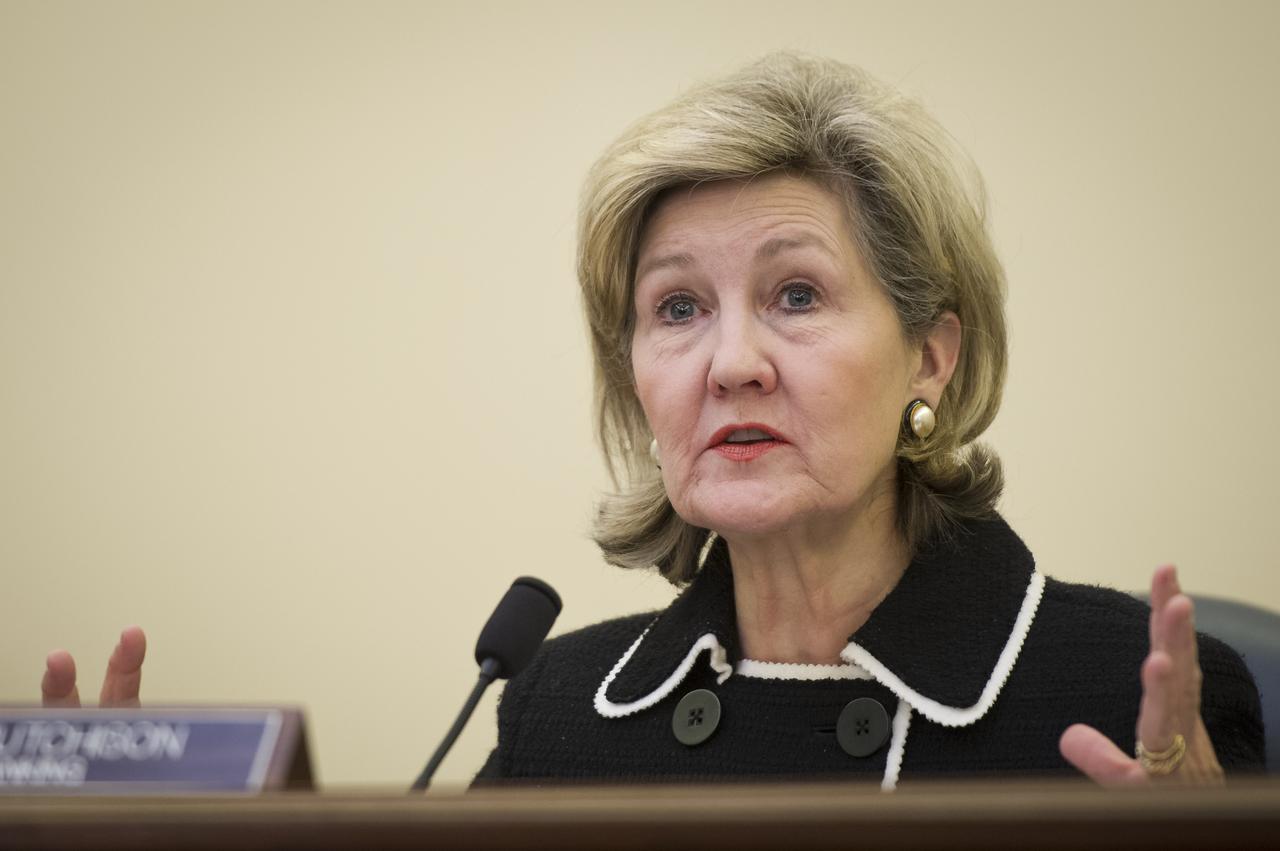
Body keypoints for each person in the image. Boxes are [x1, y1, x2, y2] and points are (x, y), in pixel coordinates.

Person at [46, 54, 1265, 788]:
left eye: (795, 294)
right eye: (676, 307)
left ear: (929, 356)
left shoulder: (1128, 694)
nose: (729, 362)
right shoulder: (558, 708)